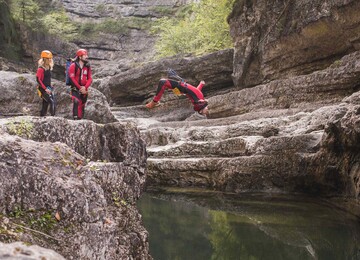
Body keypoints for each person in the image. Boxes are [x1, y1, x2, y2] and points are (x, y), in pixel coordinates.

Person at [69, 48, 92, 120]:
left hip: (84, 89)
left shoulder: (87, 67)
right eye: (85, 55)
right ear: (80, 57)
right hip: (75, 88)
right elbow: (72, 78)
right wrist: (80, 88)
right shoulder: (73, 66)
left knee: (82, 104)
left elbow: (90, 78)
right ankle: (75, 119)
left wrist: (85, 87)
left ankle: (80, 119)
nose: (86, 57)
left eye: (86, 55)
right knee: (76, 101)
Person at [36, 50, 56, 116]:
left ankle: (42, 116)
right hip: (42, 89)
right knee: (51, 101)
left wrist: (50, 88)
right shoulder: (41, 69)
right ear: (44, 59)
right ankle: (53, 117)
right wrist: (45, 89)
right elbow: (38, 80)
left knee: (46, 103)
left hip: (48, 88)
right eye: (48, 59)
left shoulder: (49, 67)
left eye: (50, 58)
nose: (50, 60)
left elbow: (47, 79)